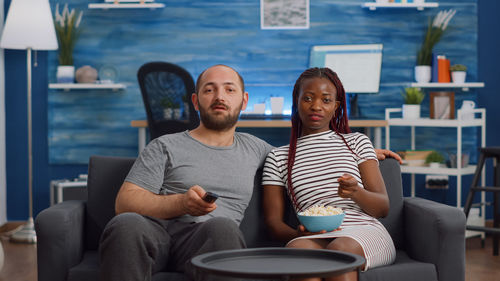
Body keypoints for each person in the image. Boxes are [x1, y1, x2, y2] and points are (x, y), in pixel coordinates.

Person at [99, 64, 400, 281]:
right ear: (196, 101)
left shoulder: (260, 150)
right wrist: (180, 203)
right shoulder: (164, 145)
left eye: (229, 89)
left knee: (222, 227)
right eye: (209, 89)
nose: (220, 96)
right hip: (155, 233)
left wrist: (360, 152)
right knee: (126, 223)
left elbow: (305, 154)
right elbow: (125, 202)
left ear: (243, 101)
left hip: (208, 238)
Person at [262, 67, 396, 281]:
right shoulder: (278, 157)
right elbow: (273, 225)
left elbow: (382, 207)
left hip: (362, 232)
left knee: (339, 253)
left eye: (326, 100)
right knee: (300, 256)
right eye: (307, 98)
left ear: (336, 107)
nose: (316, 106)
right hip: (311, 236)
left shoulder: (357, 142)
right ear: (296, 102)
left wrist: (355, 192)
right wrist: (298, 234)